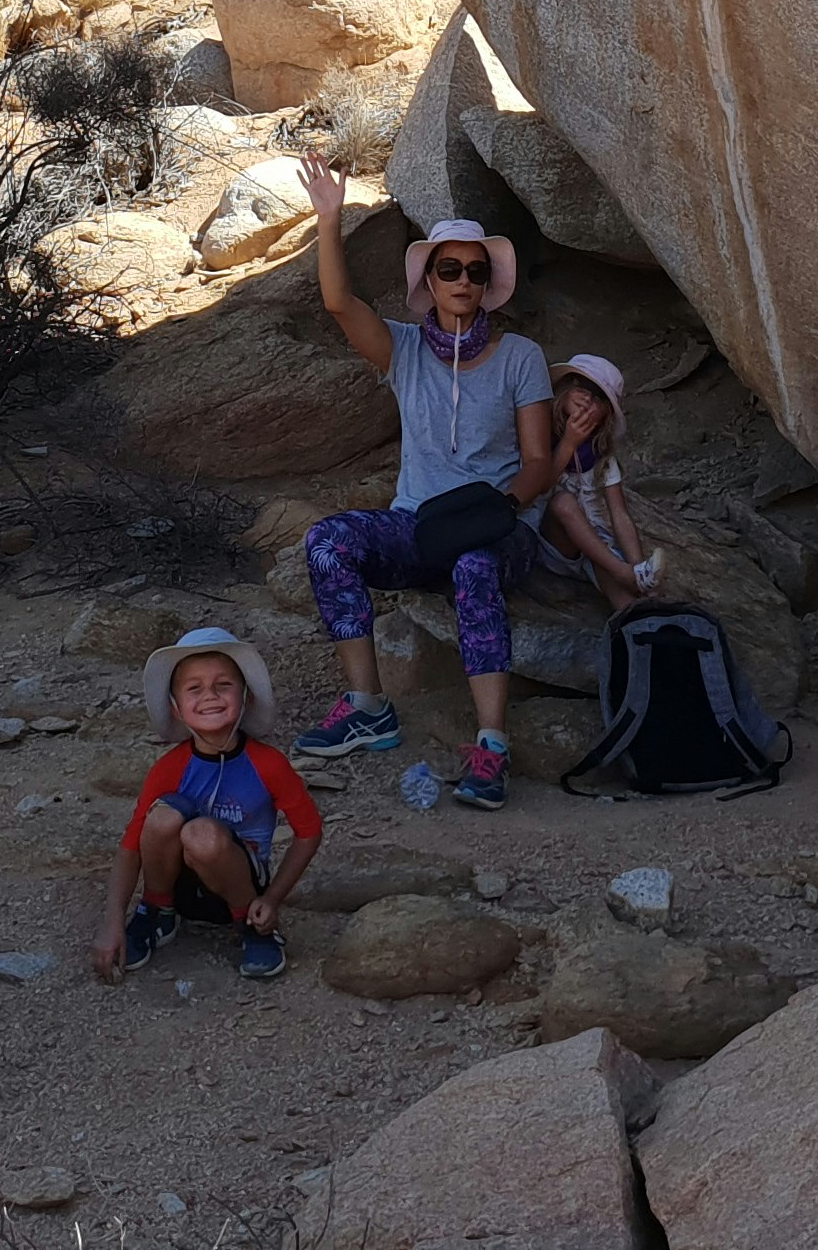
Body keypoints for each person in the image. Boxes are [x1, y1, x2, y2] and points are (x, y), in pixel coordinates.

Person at [286, 162, 557, 808]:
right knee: (328, 541)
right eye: (450, 269)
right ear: (428, 281)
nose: (463, 281)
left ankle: (491, 746)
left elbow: (539, 460)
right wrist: (329, 220)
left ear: (488, 285)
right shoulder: (403, 350)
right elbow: (339, 304)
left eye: (476, 272)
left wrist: (505, 506)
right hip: (419, 524)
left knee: (473, 567)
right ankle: (367, 707)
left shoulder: (520, 357)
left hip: (494, 526)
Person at [96, 629, 321, 983]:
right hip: (181, 886)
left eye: (223, 685)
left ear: (245, 697)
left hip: (241, 884)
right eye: (194, 688)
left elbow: (309, 832)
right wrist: (112, 922)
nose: (210, 696)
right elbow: (131, 846)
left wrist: (273, 899)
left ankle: (251, 925)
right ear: (176, 708)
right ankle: (157, 909)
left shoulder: (268, 764)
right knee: (162, 817)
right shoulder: (170, 768)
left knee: (200, 834)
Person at [531, 353, 661, 610]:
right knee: (563, 502)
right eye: (581, 386)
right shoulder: (541, 435)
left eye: (599, 397)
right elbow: (540, 487)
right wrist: (569, 443)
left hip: (595, 547)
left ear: (605, 415)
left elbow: (619, 514)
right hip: (551, 543)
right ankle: (623, 573)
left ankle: (638, 602)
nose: (588, 398)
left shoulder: (601, 456)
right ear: (564, 388)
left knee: (622, 593)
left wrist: (637, 565)